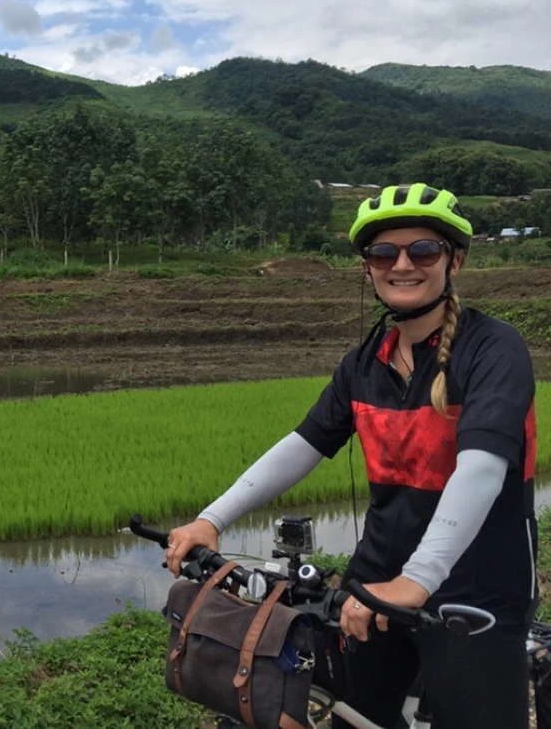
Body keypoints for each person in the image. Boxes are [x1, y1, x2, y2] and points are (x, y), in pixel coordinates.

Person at [163, 183, 537, 729]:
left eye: (423, 251)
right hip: (376, 584)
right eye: (384, 253)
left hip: (475, 593)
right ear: (367, 269)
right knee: (344, 717)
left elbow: (480, 467)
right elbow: (302, 446)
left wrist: (417, 580)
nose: (402, 264)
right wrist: (211, 519)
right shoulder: (365, 363)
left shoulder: (492, 349)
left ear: (454, 260)